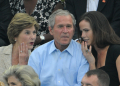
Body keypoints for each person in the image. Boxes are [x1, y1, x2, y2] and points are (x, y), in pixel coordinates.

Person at [28, 9, 89, 86]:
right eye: (60, 26)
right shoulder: (38, 54)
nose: (65, 31)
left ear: (73, 30)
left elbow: (83, 84)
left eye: (68, 26)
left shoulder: (83, 52)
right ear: (51, 30)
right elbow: (32, 84)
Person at [79, 11, 120, 86]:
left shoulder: (116, 51)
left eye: (86, 30)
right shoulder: (91, 52)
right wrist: (91, 62)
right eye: (81, 31)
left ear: (98, 29)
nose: (83, 35)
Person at [0, 13, 39, 82]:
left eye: (34, 32)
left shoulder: (35, 60)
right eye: (27, 33)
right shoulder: (1, 52)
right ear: (15, 35)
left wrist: (23, 66)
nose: (33, 37)